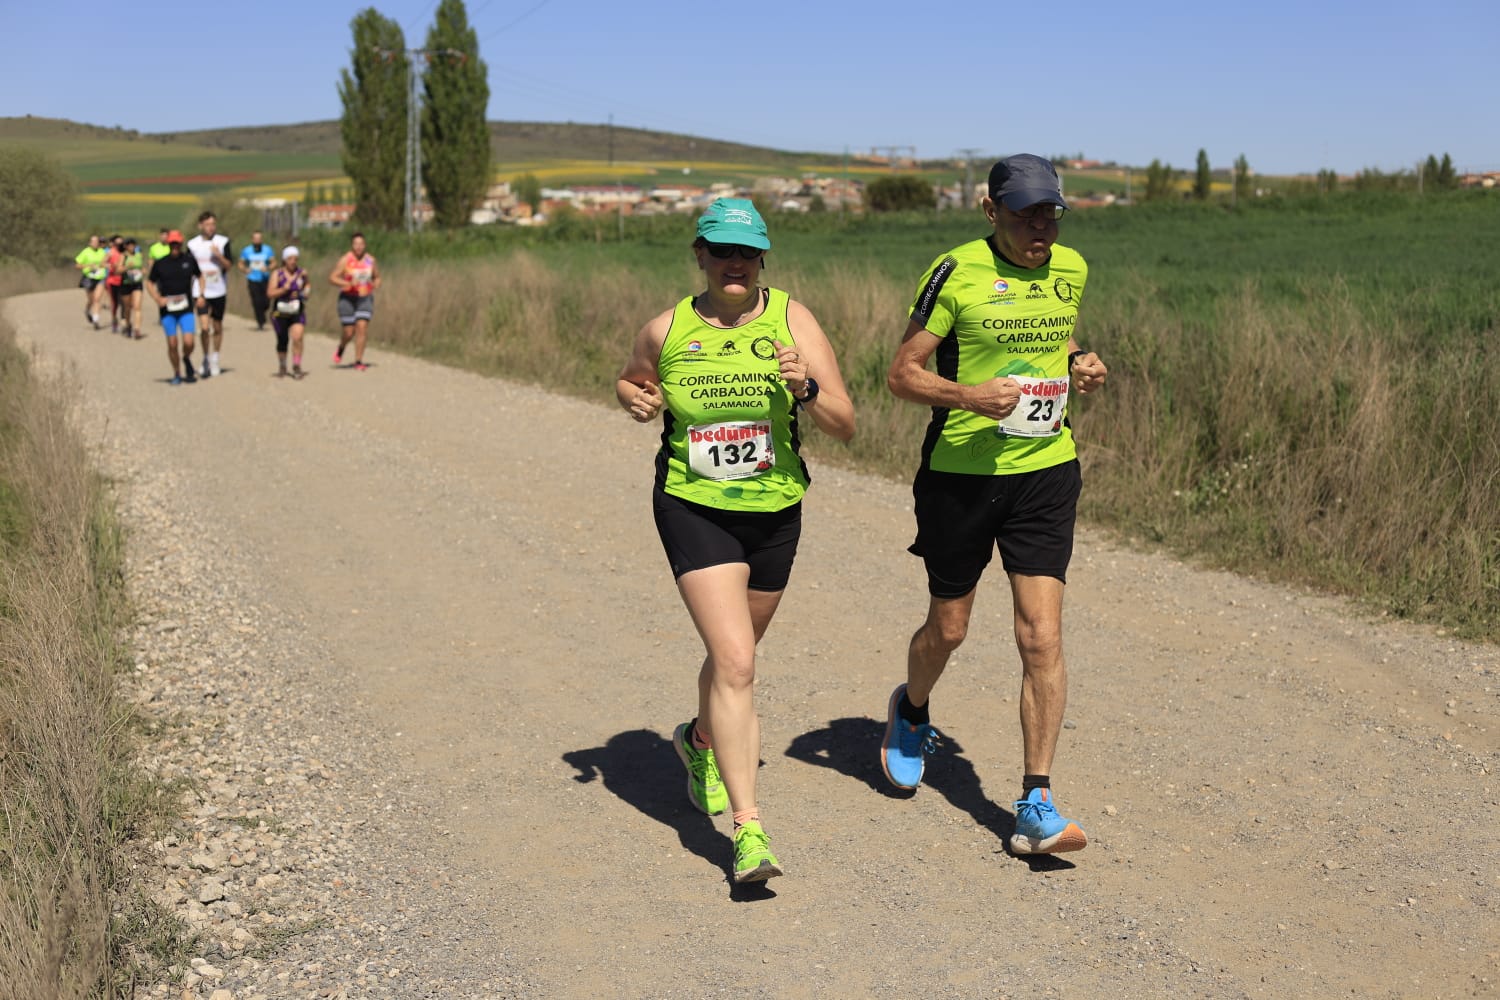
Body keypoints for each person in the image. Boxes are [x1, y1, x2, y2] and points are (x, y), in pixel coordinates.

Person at [615, 198, 855, 883]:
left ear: (762, 259)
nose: (734, 264)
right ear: (699, 254)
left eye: (746, 253)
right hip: (693, 505)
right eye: (721, 251)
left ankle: (697, 740)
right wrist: (631, 395)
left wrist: (805, 388)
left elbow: (846, 423)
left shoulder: (793, 320)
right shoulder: (668, 329)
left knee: (736, 658)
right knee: (738, 663)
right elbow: (633, 376)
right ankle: (749, 834)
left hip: (776, 509)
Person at [878, 154, 1109, 857]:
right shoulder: (955, 271)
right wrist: (970, 397)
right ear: (991, 212)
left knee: (1040, 637)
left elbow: (1052, 330)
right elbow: (901, 374)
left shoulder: (1069, 268)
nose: (1040, 228)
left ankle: (1035, 801)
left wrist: (1079, 362)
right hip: (961, 477)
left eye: (1050, 214)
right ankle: (911, 711)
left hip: (1046, 470)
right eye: (1024, 215)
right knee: (949, 630)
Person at [146, 230, 203, 384]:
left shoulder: (189, 261)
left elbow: (200, 276)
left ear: (181, 244)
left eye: (177, 243)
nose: (175, 246)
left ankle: (186, 357)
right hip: (168, 310)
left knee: (189, 342)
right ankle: (177, 373)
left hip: (186, 308)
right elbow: (149, 282)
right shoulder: (161, 263)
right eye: (172, 244)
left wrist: (201, 295)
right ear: (169, 245)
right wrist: (157, 298)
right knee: (172, 343)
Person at [186, 211, 233, 377]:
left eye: (213, 224)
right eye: (207, 224)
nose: (210, 228)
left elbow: (229, 266)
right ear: (200, 226)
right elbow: (188, 268)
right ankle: (205, 357)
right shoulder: (192, 245)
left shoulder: (223, 241)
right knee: (205, 328)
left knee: (217, 327)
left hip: (219, 289)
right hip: (200, 292)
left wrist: (219, 256)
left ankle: (215, 357)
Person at [328, 232, 379, 370]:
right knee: (349, 332)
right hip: (347, 298)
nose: (358, 247)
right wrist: (346, 283)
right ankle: (341, 347)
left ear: (365, 245)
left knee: (362, 328)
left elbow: (377, 277)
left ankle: (358, 361)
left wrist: (375, 283)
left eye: (361, 244)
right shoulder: (345, 260)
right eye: (356, 244)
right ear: (352, 245)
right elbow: (332, 277)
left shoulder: (370, 260)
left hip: (365, 297)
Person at [265, 246, 309, 379]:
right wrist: (284, 290)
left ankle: (296, 366)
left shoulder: (302, 273)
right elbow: (270, 293)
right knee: (282, 339)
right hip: (280, 312)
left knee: (298, 337)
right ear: (284, 260)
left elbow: (307, 286)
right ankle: (283, 365)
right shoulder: (277, 274)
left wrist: (305, 292)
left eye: (295, 258)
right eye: (290, 258)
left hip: (297, 310)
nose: (293, 261)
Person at [238, 230, 276, 330]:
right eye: (255, 238)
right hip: (252, 279)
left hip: (265, 279)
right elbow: (240, 264)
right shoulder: (247, 251)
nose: (257, 241)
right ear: (252, 239)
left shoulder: (267, 250)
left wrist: (267, 268)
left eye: (259, 238)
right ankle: (260, 321)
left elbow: (274, 263)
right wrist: (245, 269)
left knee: (266, 302)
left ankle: (262, 314)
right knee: (256, 301)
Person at [113, 236, 147, 338]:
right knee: (127, 308)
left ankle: (137, 329)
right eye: (129, 245)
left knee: (137, 307)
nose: (131, 247)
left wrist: (143, 271)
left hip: (137, 283)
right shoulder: (123, 256)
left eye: (133, 244)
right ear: (126, 246)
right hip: (126, 283)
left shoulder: (139, 255)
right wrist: (127, 267)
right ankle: (128, 325)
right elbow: (117, 271)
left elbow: (142, 267)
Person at [74, 234, 108, 328]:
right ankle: (87, 310)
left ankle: (96, 320)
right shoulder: (85, 252)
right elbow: (77, 265)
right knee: (91, 300)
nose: (96, 243)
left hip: (100, 277)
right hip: (89, 278)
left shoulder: (102, 252)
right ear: (90, 243)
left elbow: (106, 263)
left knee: (97, 299)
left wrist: (105, 265)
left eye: (97, 242)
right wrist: (88, 266)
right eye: (94, 242)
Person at [104, 235, 126, 332]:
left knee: (124, 302)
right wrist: (110, 266)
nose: (119, 245)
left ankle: (124, 320)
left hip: (124, 280)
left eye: (121, 243)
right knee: (115, 303)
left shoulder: (125, 253)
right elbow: (102, 263)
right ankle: (114, 319)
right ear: (114, 244)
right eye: (117, 243)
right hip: (113, 281)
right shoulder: (110, 252)